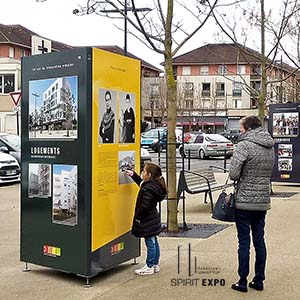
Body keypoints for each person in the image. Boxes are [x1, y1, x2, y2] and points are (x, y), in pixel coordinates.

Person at [229, 115, 275, 293]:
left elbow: (233, 174)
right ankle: (259, 279)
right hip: (262, 200)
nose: (239, 132)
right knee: (259, 240)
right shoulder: (269, 145)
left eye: (240, 129)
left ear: (247, 129)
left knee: (244, 242)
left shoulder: (243, 145)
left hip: (244, 201)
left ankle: (242, 280)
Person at [124, 162, 167, 275]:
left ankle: (149, 266)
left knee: (150, 242)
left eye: (143, 171)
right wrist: (133, 175)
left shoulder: (149, 189)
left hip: (147, 219)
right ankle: (154, 264)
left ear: (149, 175)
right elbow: (142, 183)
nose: (142, 173)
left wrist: (138, 216)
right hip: (152, 218)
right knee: (153, 241)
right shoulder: (153, 185)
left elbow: (145, 205)